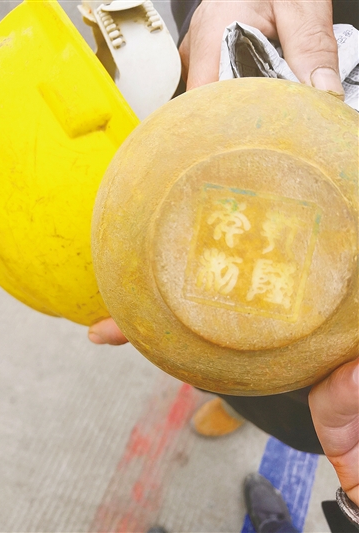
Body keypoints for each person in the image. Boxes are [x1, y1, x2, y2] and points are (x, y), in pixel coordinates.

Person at [88, 0, 358, 524]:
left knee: (287, 392)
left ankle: (243, 392)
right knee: (220, 363)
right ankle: (236, 399)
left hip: (334, 391)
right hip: (267, 59)